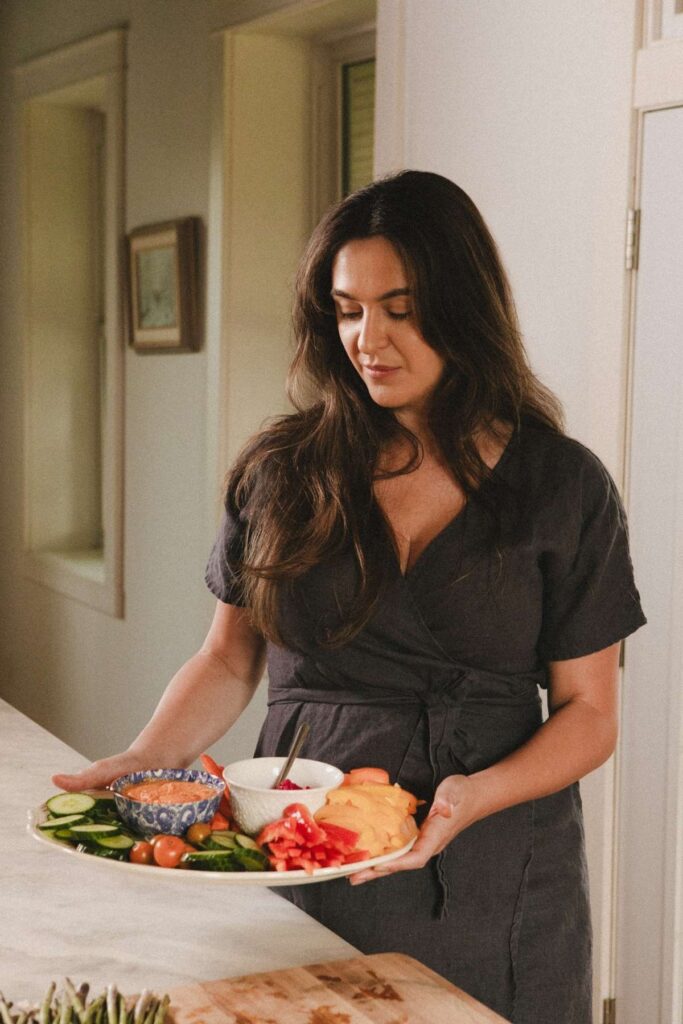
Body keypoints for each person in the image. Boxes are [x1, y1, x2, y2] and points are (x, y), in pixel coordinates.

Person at [55, 170, 646, 1024]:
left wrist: (467, 800)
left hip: (494, 861)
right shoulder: (282, 472)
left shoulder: (561, 486)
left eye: (401, 309)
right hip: (302, 846)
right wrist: (144, 760)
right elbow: (229, 655)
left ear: (464, 308)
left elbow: (590, 712)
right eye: (347, 310)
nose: (370, 338)